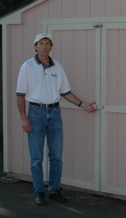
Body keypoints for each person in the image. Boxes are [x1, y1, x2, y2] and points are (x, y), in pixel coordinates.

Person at [16, 33, 97, 206]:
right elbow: (20, 94)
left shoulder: (57, 66)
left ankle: (54, 190)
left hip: (54, 114)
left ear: (51, 47)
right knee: (36, 157)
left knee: (56, 156)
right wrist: (23, 118)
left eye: (48, 43)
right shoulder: (27, 66)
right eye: (41, 43)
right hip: (35, 114)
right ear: (35, 46)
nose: (45, 46)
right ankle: (38, 192)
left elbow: (65, 91)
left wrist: (82, 104)